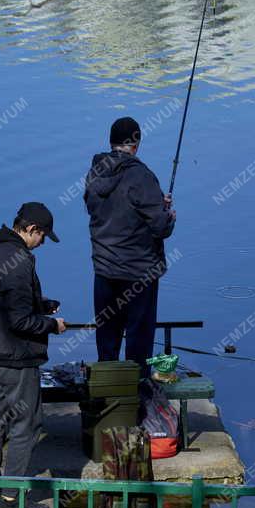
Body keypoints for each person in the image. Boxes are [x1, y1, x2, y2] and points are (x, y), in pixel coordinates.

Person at [0, 202, 66, 508]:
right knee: (27, 423)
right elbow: (20, 321)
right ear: (31, 230)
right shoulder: (19, 260)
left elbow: (2, 301)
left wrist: (40, 303)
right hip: (16, 356)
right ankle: (13, 499)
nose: (42, 243)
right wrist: (53, 325)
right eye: (42, 236)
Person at [84, 116, 176, 377]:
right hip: (138, 274)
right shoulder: (141, 176)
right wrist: (166, 213)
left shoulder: (95, 173)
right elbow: (160, 228)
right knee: (138, 340)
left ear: (111, 142)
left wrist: (154, 202)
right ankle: (137, 399)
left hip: (104, 271)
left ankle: (109, 397)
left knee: (108, 339)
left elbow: (103, 209)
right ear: (135, 143)